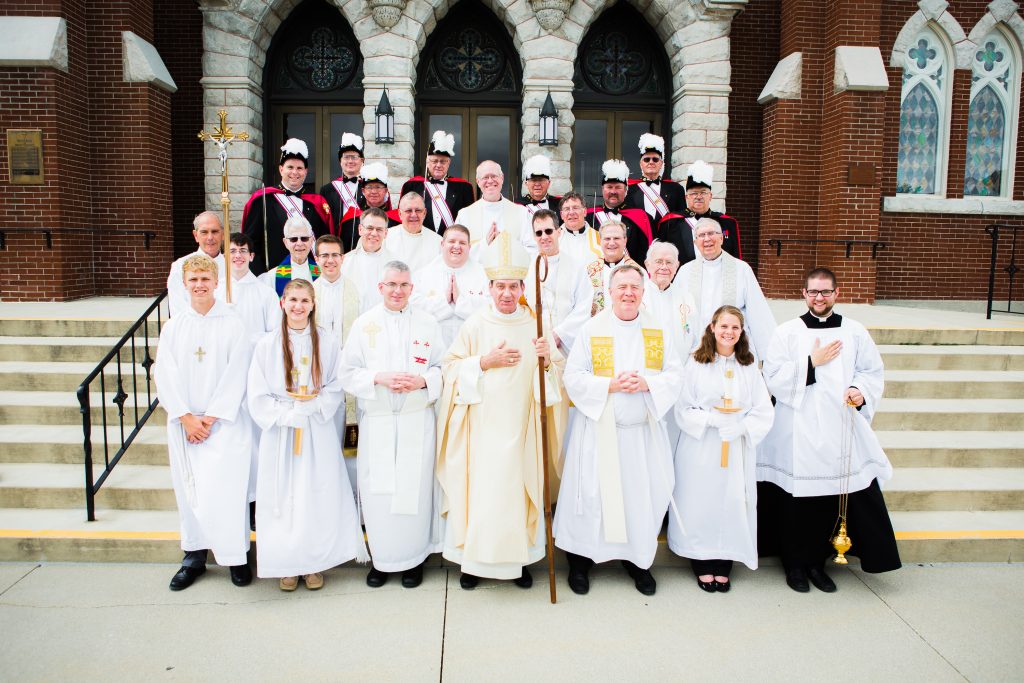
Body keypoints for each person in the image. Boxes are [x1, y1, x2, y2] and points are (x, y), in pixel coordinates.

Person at [757, 268, 901, 593]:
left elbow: (871, 371)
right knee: (796, 503)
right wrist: (811, 361)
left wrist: (860, 390)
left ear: (836, 293)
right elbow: (774, 377)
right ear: (803, 294)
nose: (818, 298)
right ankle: (795, 565)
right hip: (796, 429)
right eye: (813, 292)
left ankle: (817, 564)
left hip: (838, 426)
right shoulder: (787, 332)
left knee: (828, 501)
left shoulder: (855, 332)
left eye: (825, 292)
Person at [436, 231, 565, 589]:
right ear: (489, 288)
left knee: (516, 491)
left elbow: (555, 378)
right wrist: (482, 362)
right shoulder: (476, 324)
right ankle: (472, 563)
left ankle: (517, 563)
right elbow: (449, 368)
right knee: (482, 495)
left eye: (513, 286)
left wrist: (546, 360)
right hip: (481, 429)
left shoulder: (537, 324)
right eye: (499, 286)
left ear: (523, 288)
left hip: (523, 426)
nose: (507, 293)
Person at [554, 264, 683, 596]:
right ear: (610, 292)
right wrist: (609, 385)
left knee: (638, 498)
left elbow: (674, 374)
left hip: (640, 433)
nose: (628, 293)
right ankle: (580, 563)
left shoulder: (658, 331)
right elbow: (574, 376)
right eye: (622, 287)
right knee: (592, 495)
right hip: (598, 432)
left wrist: (647, 383)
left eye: (634, 288)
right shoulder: (592, 329)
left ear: (643, 292)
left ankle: (637, 562)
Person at [247, 278, 368, 591]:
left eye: (304, 301)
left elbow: (337, 384)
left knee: (315, 494)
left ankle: (313, 563)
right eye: (293, 300)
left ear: (313, 305)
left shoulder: (326, 342)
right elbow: (257, 393)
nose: (298, 306)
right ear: (282, 304)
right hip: (283, 432)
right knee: (284, 496)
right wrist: (288, 415)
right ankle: (288, 564)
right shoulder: (266, 344)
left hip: (316, 430)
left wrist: (312, 408)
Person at [339, 261, 445, 589]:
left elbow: (443, 367)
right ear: (380, 288)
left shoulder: (428, 323)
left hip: (415, 417)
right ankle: (382, 559)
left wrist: (422, 382)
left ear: (411, 288)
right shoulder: (364, 324)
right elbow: (347, 373)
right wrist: (378, 377)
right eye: (391, 285)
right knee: (378, 493)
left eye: (403, 285)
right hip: (380, 420)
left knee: (414, 491)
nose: (397, 291)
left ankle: (414, 559)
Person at [155, 254, 253, 591]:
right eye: (193, 279)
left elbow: (238, 373)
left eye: (205, 279)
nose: (199, 285)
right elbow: (164, 374)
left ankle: (236, 558)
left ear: (216, 282)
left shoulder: (233, 323)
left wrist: (209, 418)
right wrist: (185, 417)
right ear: (184, 284)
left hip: (223, 423)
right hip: (185, 424)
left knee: (227, 492)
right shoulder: (174, 327)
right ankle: (193, 557)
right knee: (190, 492)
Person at [668, 305, 774, 593]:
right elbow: (683, 406)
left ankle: (725, 557)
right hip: (701, 445)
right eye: (724, 326)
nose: (729, 332)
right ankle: (702, 559)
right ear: (712, 327)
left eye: (735, 328)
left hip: (736, 445)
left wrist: (742, 427)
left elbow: (763, 408)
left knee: (730, 501)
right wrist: (712, 420)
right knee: (700, 499)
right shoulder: (696, 362)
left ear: (742, 333)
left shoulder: (749, 365)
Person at [676, 218, 775, 360]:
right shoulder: (685, 271)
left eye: (711, 233)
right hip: (695, 349)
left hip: (732, 350)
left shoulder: (741, 269)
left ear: (721, 238)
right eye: (701, 236)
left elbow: (758, 312)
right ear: (695, 243)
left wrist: (768, 356)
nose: (707, 239)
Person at [312, 234, 362, 489]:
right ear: (316, 258)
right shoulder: (309, 293)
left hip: (350, 379)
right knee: (323, 441)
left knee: (352, 442)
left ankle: (353, 498)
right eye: (324, 256)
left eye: (334, 255)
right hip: (320, 377)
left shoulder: (356, 291)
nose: (330, 261)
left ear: (343, 258)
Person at [241, 138, 331, 274]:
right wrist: (260, 276)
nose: (295, 172)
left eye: (299, 168)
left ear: (306, 171)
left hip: (311, 274)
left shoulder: (316, 203)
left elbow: (325, 243)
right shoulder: (263, 200)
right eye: (290, 167)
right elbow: (250, 244)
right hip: (274, 275)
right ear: (281, 169)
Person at [643, 240, 698, 448]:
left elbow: (695, 339)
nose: (664, 267)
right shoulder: (637, 296)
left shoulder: (686, 298)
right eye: (658, 261)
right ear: (647, 265)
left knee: (673, 441)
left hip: (677, 382)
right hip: (646, 382)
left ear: (677, 266)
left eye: (669, 262)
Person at [524, 209, 592, 354]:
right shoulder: (527, 267)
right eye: (539, 233)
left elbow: (583, 307)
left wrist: (559, 334)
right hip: (534, 343)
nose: (544, 237)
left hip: (566, 344)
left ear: (558, 232)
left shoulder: (576, 267)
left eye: (549, 231)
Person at [411, 224, 489, 350]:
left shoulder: (484, 275)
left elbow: (490, 311)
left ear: (469, 247)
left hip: (472, 347)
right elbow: (414, 310)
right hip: (433, 347)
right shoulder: (423, 274)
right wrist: (444, 301)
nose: (456, 246)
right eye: (452, 241)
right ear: (442, 244)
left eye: (462, 243)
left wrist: (461, 302)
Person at [400, 131, 475, 234]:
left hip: (451, 245)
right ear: (427, 162)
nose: (438, 165)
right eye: (434, 161)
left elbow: (470, 220)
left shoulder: (463, 188)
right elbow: (403, 217)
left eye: (443, 161)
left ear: (449, 163)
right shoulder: (412, 186)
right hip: (421, 241)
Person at [454, 160, 533, 257]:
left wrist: (506, 246)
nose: (490, 181)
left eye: (494, 176)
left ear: (502, 178)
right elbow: (457, 251)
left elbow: (532, 249)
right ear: (478, 182)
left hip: (510, 272)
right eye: (485, 177)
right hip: (476, 271)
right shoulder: (464, 215)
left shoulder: (521, 213)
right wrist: (485, 244)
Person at [586, 159, 652, 264]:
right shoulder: (589, 217)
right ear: (602, 189)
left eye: (618, 187)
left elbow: (645, 252)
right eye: (609, 187)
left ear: (626, 190)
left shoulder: (640, 218)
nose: (613, 191)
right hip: (597, 275)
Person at [679, 160, 742, 259]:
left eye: (703, 192)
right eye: (694, 193)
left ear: (710, 196)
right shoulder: (672, 223)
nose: (699, 197)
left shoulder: (727, 223)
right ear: (687, 197)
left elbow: (735, 256)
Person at [167, 211, 226, 317]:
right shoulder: (180, 266)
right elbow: (178, 308)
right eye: (204, 232)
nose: (210, 237)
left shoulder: (232, 267)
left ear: (223, 234)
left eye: (214, 231)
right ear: (195, 235)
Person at [340, 207, 398, 313]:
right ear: (360, 229)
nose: (374, 233)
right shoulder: (345, 262)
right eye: (370, 228)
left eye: (379, 229)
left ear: (386, 233)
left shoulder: (396, 264)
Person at [334, 161, 400, 253]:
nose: (373, 191)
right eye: (369, 187)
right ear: (363, 191)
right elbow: (344, 250)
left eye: (378, 187)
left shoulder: (396, 221)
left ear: (385, 191)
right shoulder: (351, 219)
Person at [583, 221, 645, 317]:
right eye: (607, 238)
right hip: (597, 328)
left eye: (616, 238)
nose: (611, 243)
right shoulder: (589, 271)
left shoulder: (638, 272)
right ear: (600, 241)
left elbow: (645, 305)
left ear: (625, 241)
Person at [625, 134, 686, 225]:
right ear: (641, 163)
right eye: (646, 159)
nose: (651, 162)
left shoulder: (676, 189)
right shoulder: (629, 190)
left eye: (655, 159)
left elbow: (682, 220)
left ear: (661, 163)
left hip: (667, 239)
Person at [257, 216, 320, 296]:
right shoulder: (270, 278)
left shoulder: (322, 274)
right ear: (286, 243)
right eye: (293, 239)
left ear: (311, 241)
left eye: (304, 238)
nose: (299, 243)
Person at [319, 132, 366, 237]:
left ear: (362, 161)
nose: (350, 161)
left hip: (363, 244)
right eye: (346, 157)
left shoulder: (368, 187)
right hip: (336, 244)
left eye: (354, 157)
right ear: (340, 161)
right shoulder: (327, 190)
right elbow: (323, 223)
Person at [384, 193, 442, 272]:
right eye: (408, 211)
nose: (414, 215)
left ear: (424, 213)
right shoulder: (385, 237)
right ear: (400, 214)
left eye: (418, 210)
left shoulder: (438, 242)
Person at [557, 192, 601, 265]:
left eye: (575, 208)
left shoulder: (599, 238)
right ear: (561, 215)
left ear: (584, 212)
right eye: (567, 209)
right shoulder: (554, 238)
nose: (571, 212)